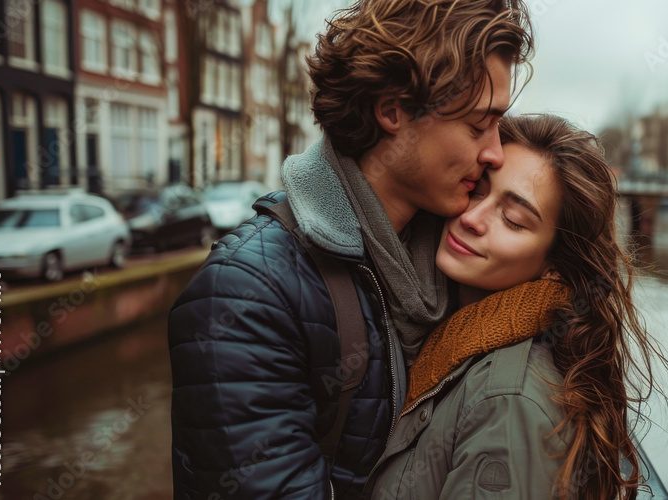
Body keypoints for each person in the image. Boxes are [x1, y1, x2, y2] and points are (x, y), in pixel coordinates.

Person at [167, 1, 533, 498]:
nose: (494, 152)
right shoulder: (245, 295)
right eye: (477, 126)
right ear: (392, 111)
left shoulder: (458, 259)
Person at [366, 114, 668, 499]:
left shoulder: (506, 404)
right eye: (478, 191)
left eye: (513, 219)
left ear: (553, 267)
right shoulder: (447, 343)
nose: (473, 218)